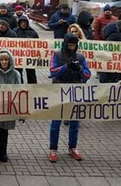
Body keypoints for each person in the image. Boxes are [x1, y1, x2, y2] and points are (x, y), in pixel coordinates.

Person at [48, 33, 91, 163]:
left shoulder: (80, 57)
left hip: (75, 91)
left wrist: (79, 69)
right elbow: (53, 72)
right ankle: (53, 148)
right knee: (56, 122)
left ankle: (73, 147)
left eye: (74, 45)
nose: (72, 48)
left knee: (74, 122)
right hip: (59, 90)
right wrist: (66, 67)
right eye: (70, 45)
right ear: (65, 44)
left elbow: (88, 75)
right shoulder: (56, 55)